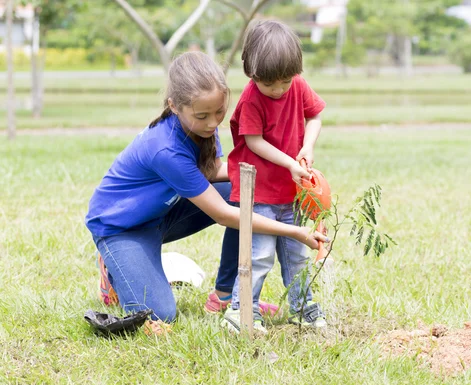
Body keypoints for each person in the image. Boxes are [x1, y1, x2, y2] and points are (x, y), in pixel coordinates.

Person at [85, 51, 327, 334]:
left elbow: (211, 171)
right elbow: (225, 215)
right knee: (159, 314)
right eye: (202, 116)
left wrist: (280, 171)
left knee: (243, 192)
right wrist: (295, 232)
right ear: (174, 106)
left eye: (219, 112)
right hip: (123, 228)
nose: (213, 123)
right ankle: (114, 264)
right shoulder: (165, 149)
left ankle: (226, 295)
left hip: (163, 212)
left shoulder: (199, 125)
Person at [221, 20, 327, 334]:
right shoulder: (252, 97)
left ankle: (304, 310)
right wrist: (291, 164)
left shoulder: (297, 86)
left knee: (296, 255)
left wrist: (307, 146)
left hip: (290, 191)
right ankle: (242, 313)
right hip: (258, 192)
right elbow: (254, 141)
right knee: (261, 255)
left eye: (285, 81)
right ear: (252, 73)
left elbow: (315, 115)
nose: (279, 90)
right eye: (271, 84)